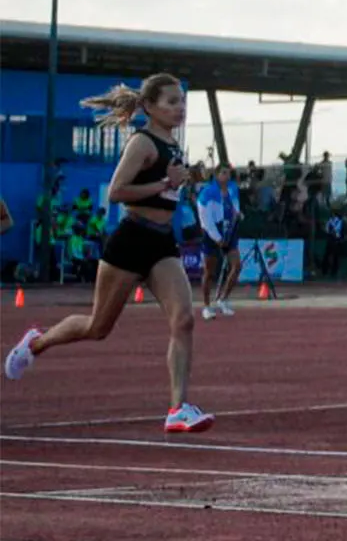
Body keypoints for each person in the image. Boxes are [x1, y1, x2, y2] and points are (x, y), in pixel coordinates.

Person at [4, 75, 215, 433]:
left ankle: (178, 408)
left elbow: (167, 192)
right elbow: (117, 191)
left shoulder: (172, 145)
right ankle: (36, 342)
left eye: (181, 101)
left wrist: (181, 181)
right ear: (149, 107)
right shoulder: (142, 142)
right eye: (171, 102)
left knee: (184, 320)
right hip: (131, 241)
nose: (179, 108)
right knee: (98, 326)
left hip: (162, 243)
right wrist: (166, 183)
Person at [195, 164, 244, 319]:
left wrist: (238, 214)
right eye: (223, 173)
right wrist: (217, 238)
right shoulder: (207, 193)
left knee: (237, 266)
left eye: (228, 173)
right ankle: (207, 306)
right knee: (209, 272)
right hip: (212, 234)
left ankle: (223, 299)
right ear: (216, 175)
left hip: (229, 232)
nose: (227, 176)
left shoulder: (232, 189)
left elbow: (235, 207)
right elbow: (206, 218)